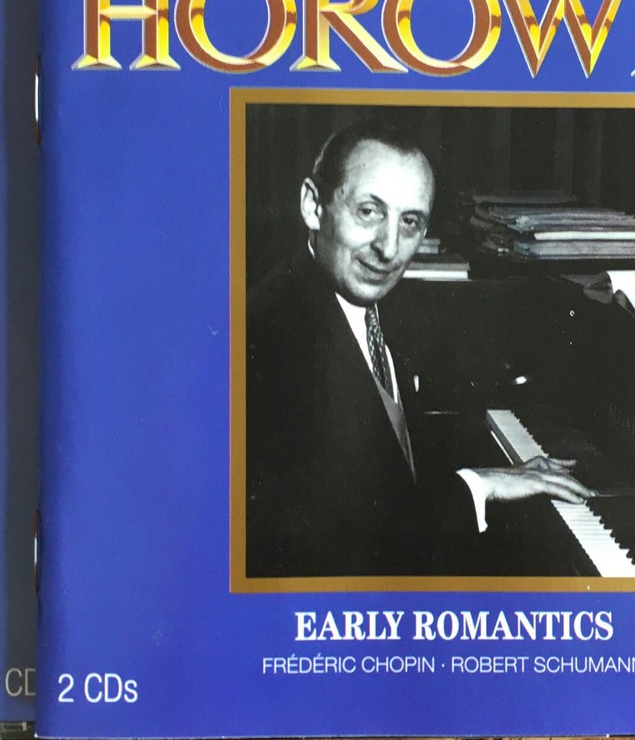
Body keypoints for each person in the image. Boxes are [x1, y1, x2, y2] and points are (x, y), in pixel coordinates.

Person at [246, 120, 593, 578]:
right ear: (313, 206)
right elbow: (340, 541)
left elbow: (387, 469)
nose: (389, 248)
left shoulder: (372, 303)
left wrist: (494, 475)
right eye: (368, 211)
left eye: (410, 222)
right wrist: (481, 484)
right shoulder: (267, 335)